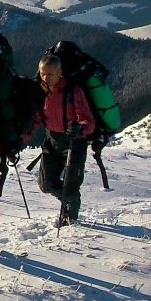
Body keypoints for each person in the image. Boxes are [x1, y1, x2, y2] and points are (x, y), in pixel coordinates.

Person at [34, 53, 96, 227]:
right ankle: (70, 201)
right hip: (51, 139)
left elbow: (88, 121)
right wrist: (19, 139)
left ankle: (69, 217)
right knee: (46, 184)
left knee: (70, 183)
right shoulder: (40, 91)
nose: (45, 78)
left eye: (50, 74)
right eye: (42, 73)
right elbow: (35, 119)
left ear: (60, 72)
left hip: (74, 142)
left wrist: (80, 128)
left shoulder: (73, 91)